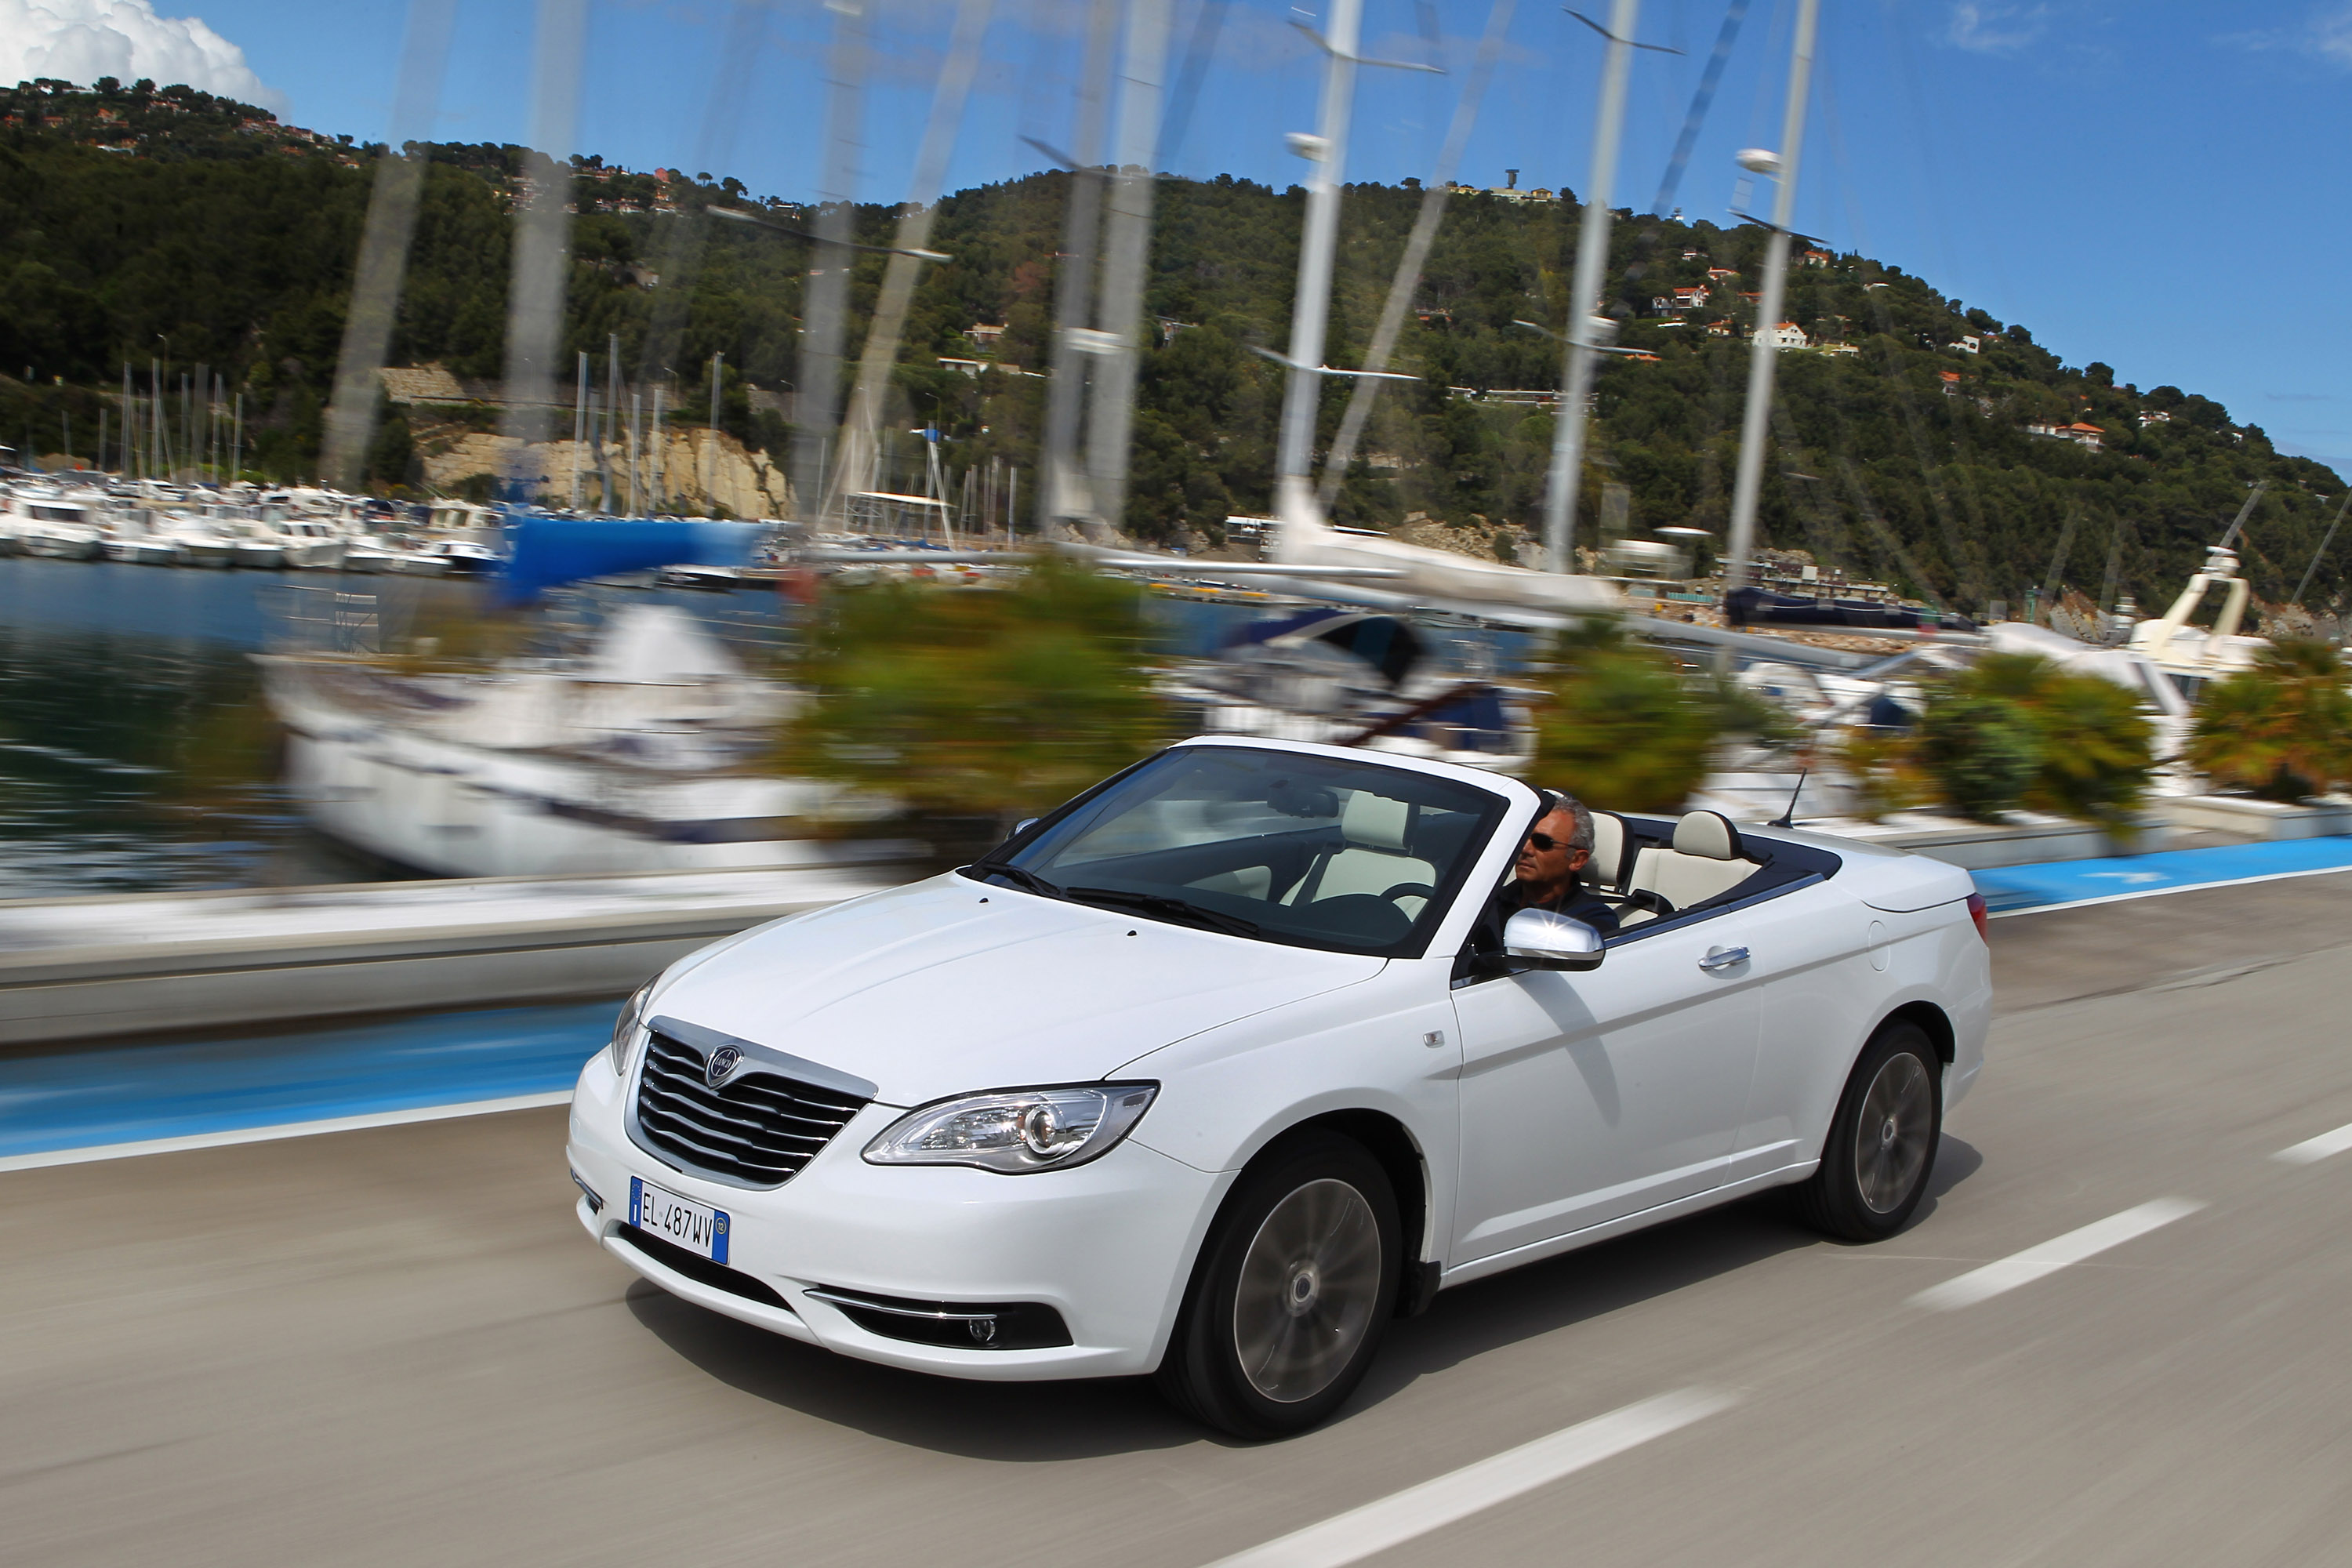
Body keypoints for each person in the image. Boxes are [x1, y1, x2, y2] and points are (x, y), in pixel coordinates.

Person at [1504, 793, 1620, 937]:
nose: (1525, 849)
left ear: (1577, 860)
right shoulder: (1490, 899)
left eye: (1543, 842)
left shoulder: (1591, 920)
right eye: (1523, 836)